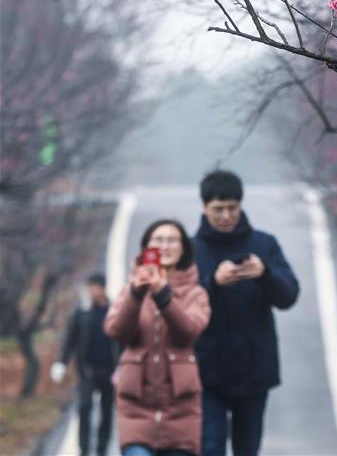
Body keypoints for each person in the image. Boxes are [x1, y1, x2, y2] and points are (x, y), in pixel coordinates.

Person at [192, 170, 300, 456]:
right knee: (210, 446)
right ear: (204, 208)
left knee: (247, 449)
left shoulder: (264, 245)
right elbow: (180, 306)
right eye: (218, 209)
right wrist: (213, 283)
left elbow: (289, 296)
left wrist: (265, 274)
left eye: (232, 208)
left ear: (241, 205)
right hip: (206, 370)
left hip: (254, 369)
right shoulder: (191, 250)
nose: (226, 216)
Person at [104, 219, 211, 456]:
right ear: (146, 249)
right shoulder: (129, 291)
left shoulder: (196, 294)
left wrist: (163, 294)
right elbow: (116, 331)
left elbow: (188, 332)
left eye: (172, 240)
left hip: (180, 412)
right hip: (136, 410)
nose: (165, 245)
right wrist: (136, 294)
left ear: (183, 249)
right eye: (158, 240)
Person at [52, 272, 118, 456]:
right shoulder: (82, 312)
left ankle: (102, 449)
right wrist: (61, 362)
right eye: (90, 287)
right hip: (87, 371)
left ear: (102, 288)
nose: (92, 291)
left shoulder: (114, 311)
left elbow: (122, 340)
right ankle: (84, 449)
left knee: (107, 412)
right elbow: (70, 338)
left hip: (109, 371)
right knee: (85, 408)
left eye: (95, 287)